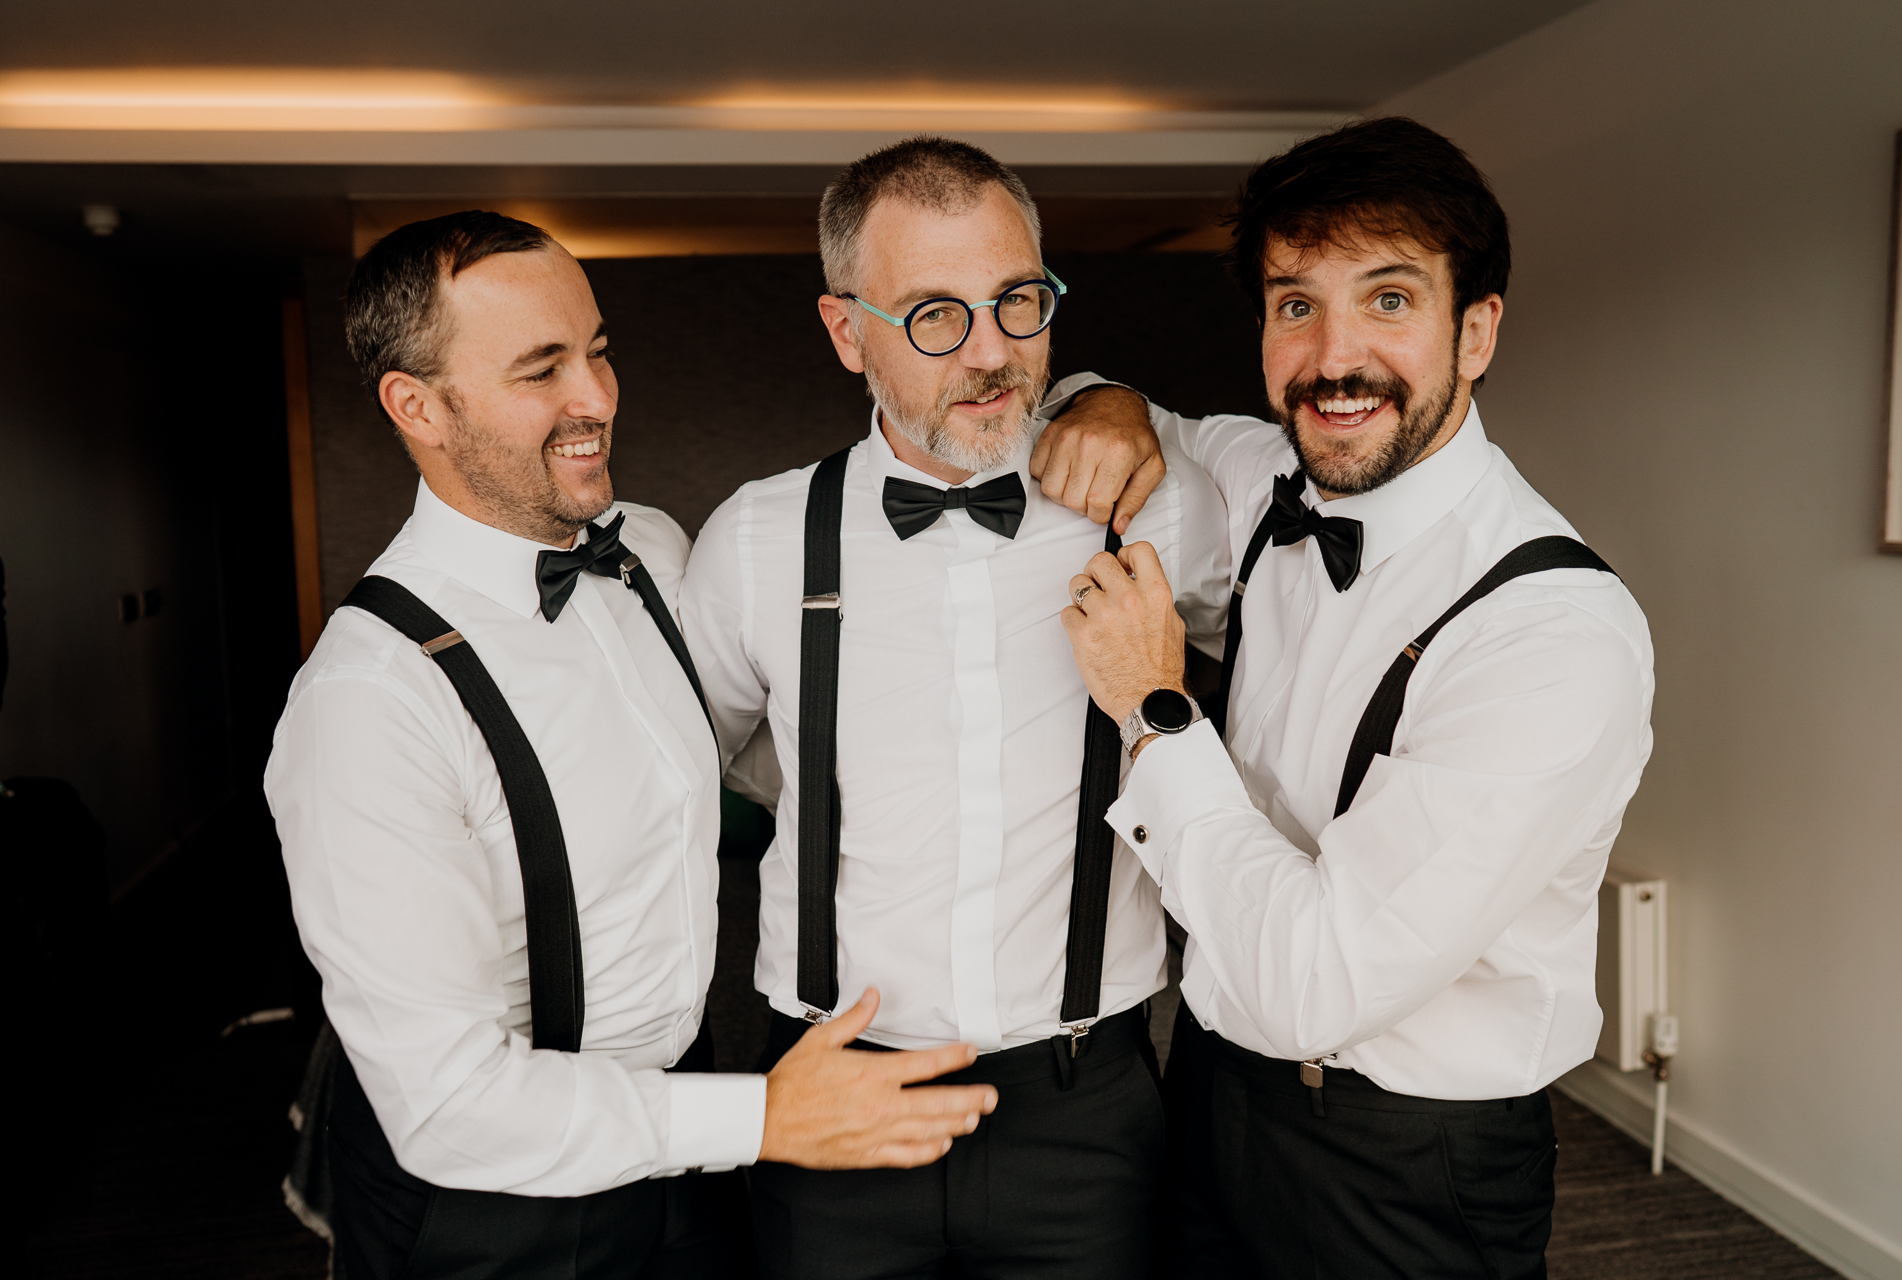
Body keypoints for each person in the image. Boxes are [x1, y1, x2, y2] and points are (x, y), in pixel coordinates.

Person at [265, 211, 999, 1280]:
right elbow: (447, 1105)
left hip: (687, 1153)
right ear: (415, 405)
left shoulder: (647, 548)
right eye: (540, 369)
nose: (597, 399)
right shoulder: (366, 702)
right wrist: (764, 1118)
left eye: (598, 350)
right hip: (497, 1209)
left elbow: (740, 757)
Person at [1040, 117, 1656, 1278]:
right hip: (1210, 1089)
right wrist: (1106, 394)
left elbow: (1318, 980)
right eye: (1294, 303)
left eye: (1387, 299)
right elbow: (1129, 414)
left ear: (1476, 331)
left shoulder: (1552, 634)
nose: (1333, 358)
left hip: (1408, 1164)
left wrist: (1156, 710)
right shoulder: (1268, 467)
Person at [681, 137, 1230, 1279]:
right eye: (935, 314)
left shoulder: (1156, 512)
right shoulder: (754, 541)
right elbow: (700, 772)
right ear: (847, 331)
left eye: (1017, 302)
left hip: (1086, 1105)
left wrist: (1116, 396)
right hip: (835, 1094)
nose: (991, 354)